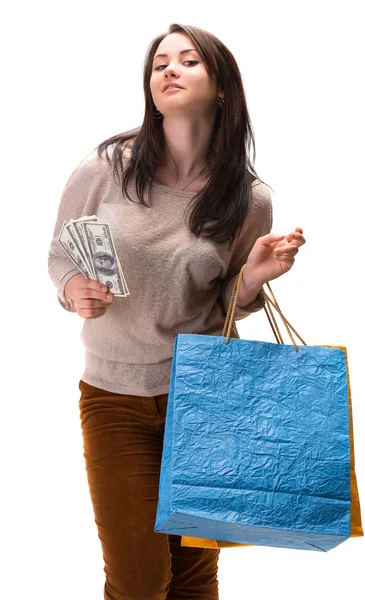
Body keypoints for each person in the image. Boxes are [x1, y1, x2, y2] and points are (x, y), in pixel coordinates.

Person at [48, 23, 306, 600]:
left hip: (205, 396)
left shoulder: (248, 198)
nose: (169, 69)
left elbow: (226, 301)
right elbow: (62, 252)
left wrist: (254, 280)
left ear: (221, 88)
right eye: (160, 61)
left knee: (193, 578)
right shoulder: (108, 166)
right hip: (114, 397)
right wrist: (73, 289)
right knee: (139, 582)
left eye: (188, 61)